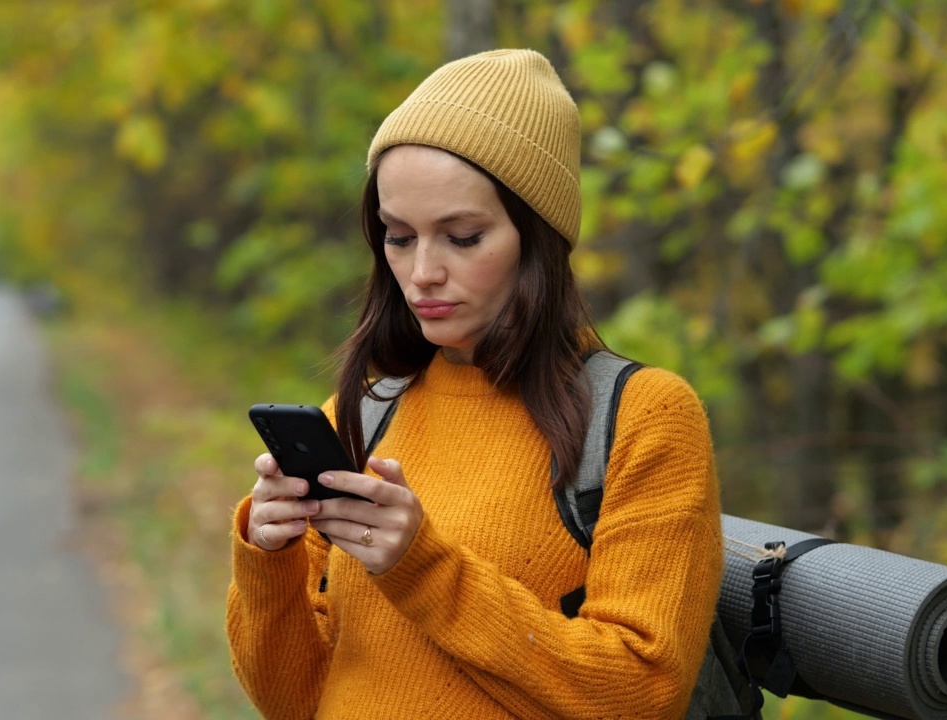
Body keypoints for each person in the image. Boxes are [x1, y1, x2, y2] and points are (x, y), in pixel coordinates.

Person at [226, 48, 724, 719]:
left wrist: (423, 568)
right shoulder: (363, 415)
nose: (422, 272)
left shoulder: (643, 417)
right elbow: (294, 701)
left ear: (537, 238)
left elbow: (642, 692)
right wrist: (268, 558)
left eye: (461, 238)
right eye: (398, 238)